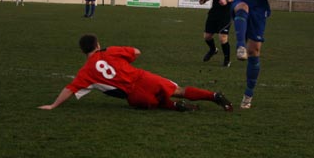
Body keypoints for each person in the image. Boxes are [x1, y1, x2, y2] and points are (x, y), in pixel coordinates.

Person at [38, 33, 233, 112]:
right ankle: (213, 96)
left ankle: (176, 106)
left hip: (133, 95)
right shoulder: (109, 51)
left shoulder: (85, 72)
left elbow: (70, 89)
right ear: (97, 45)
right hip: (143, 78)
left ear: (82, 51)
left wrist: (53, 105)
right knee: (179, 90)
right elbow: (136, 52)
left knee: (154, 103)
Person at [223, 0, 271, 110]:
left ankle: (248, 95)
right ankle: (240, 46)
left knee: (254, 52)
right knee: (242, 6)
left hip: (258, 12)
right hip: (241, 4)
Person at [199, 0, 235, 67]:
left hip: (226, 12)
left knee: (222, 37)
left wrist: (227, 0)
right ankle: (213, 50)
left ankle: (227, 60)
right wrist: (204, 0)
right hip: (214, 12)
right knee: (207, 36)